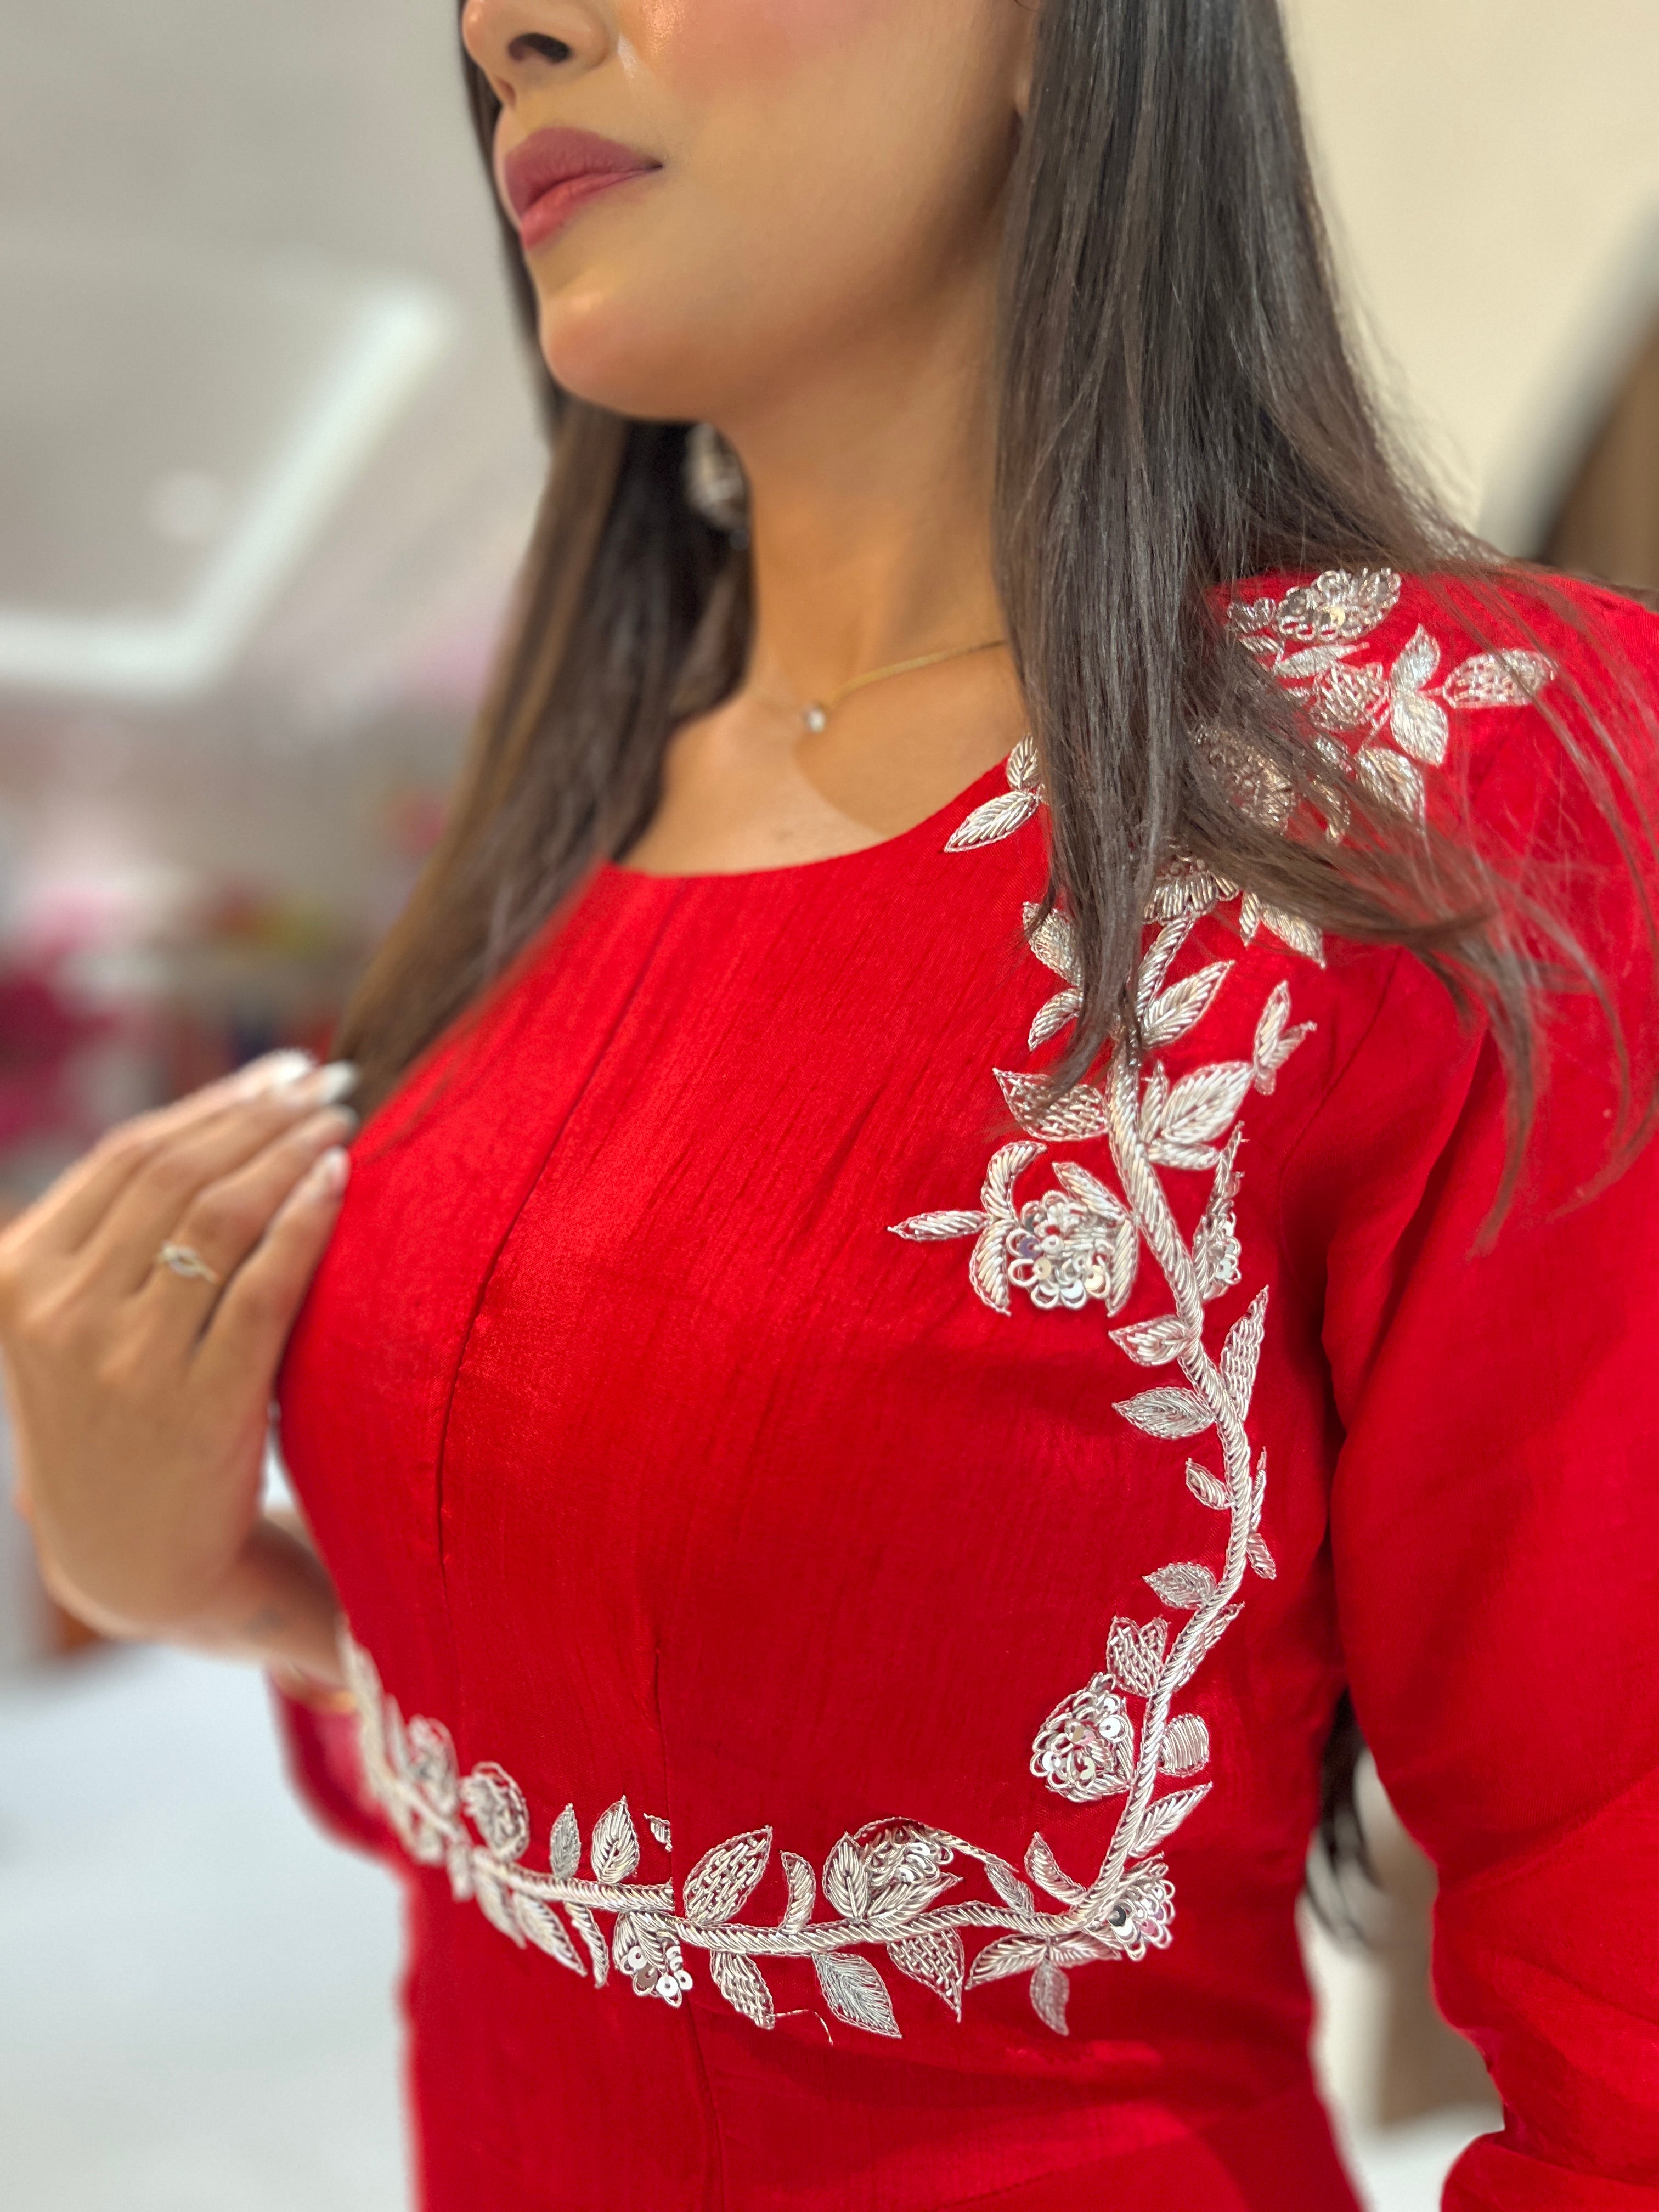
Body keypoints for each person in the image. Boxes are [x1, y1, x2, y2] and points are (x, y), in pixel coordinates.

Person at [4, 3, 1657, 2206]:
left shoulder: (1444, 764)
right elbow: (584, 1799)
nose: (505, 23)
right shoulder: (567, 826)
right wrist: (210, 1584)